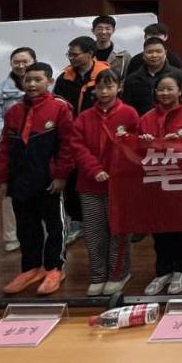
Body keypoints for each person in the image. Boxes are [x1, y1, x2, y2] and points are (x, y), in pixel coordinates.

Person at [0, 61, 74, 296]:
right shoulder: (14, 111)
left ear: (49, 81)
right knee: (26, 227)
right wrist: (3, 178)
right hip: (20, 180)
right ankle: (31, 268)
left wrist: (61, 175)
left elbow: (67, 146)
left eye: (38, 80)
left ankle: (54, 268)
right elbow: (5, 148)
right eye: (28, 80)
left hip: (48, 180)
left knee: (55, 226)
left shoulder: (60, 108)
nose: (31, 84)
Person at [70, 69, 136, 296]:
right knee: (94, 232)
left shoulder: (129, 114)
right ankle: (98, 275)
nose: (105, 92)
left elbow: (135, 147)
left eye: (110, 87)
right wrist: (94, 170)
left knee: (119, 231)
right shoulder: (84, 117)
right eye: (100, 88)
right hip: (89, 184)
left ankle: (119, 273)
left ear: (119, 88)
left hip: (120, 186)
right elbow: (77, 147)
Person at [137, 73, 182, 295]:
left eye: (169, 89)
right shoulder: (146, 118)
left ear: (180, 91)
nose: (165, 93)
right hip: (156, 182)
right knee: (159, 228)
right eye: (161, 89)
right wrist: (144, 144)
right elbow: (135, 151)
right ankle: (163, 271)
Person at [53, 36, 111, 247]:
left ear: (90, 54)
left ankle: (104, 221)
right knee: (72, 180)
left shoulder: (105, 75)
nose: (71, 58)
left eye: (75, 54)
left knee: (98, 175)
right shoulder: (64, 78)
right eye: (69, 54)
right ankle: (77, 222)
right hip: (71, 136)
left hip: (99, 135)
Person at [0, 46, 36, 254]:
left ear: (34, 62)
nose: (21, 66)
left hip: (39, 149)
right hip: (12, 150)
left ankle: (42, 231)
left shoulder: (45, 85)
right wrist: (9, 142)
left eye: (25, 61)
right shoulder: (0, 90)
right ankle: (12, 236)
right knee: (10, 194)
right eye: (16, 62)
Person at [122, 36, 182, 115]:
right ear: (143, 55)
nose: (154, 55)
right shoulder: (132, 79)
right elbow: (128, 108)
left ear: (165, 53)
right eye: (149, 52)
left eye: (158, 51)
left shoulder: (179, 75)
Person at [91, 15, 132, 82]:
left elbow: (128, 78)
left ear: (113, 30)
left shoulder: (123, 55)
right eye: (99, 29)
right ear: (93, 31)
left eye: (108, 29)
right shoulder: (86, 54)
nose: (103, 32)